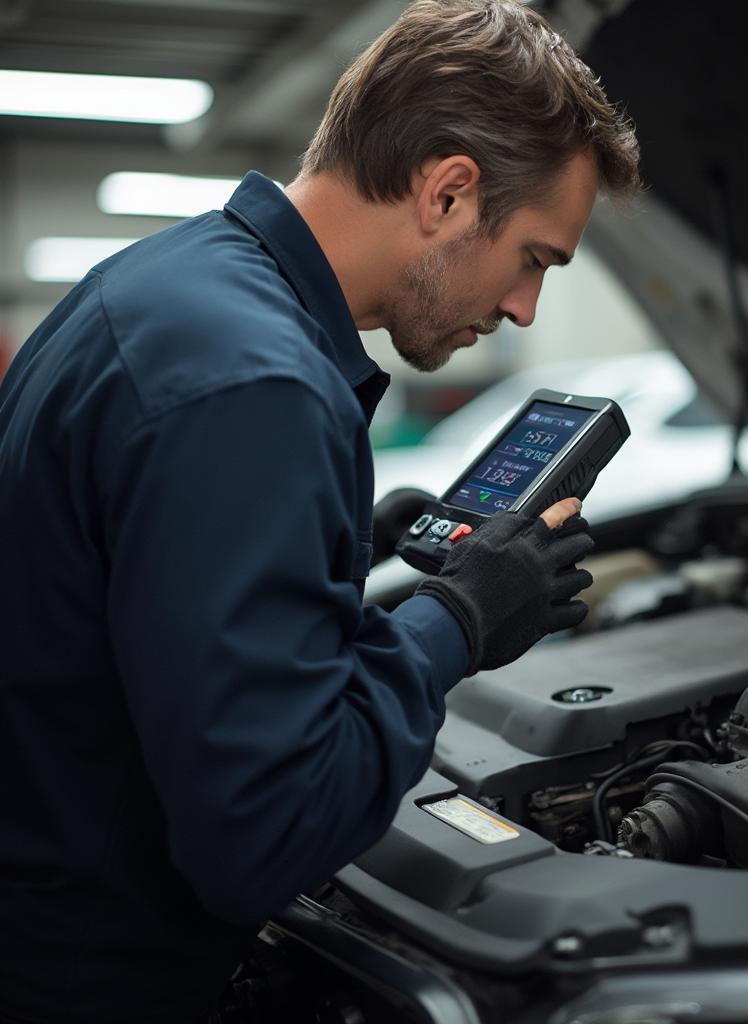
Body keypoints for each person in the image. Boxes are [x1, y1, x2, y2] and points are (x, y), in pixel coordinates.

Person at [0, 1, 640, 1021]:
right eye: (534, 257)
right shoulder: (257, 388)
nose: (524, 309)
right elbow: (264, 838)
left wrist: (338, 547)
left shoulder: (163, 284)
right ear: (448, 190)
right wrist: (455, 622)